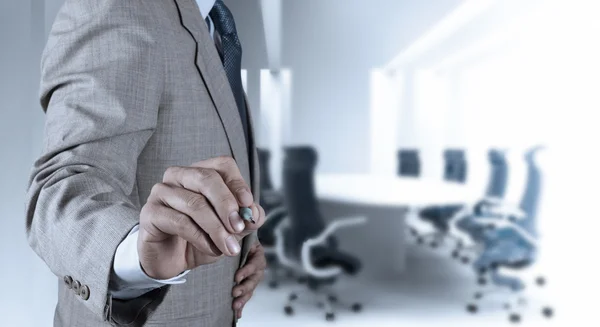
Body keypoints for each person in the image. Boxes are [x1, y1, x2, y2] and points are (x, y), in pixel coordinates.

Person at [25, 0, 267, 326]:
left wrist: (245, 247)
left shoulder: (213, 23)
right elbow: (61, 191)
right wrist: (135, 256)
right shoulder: (117, 7)